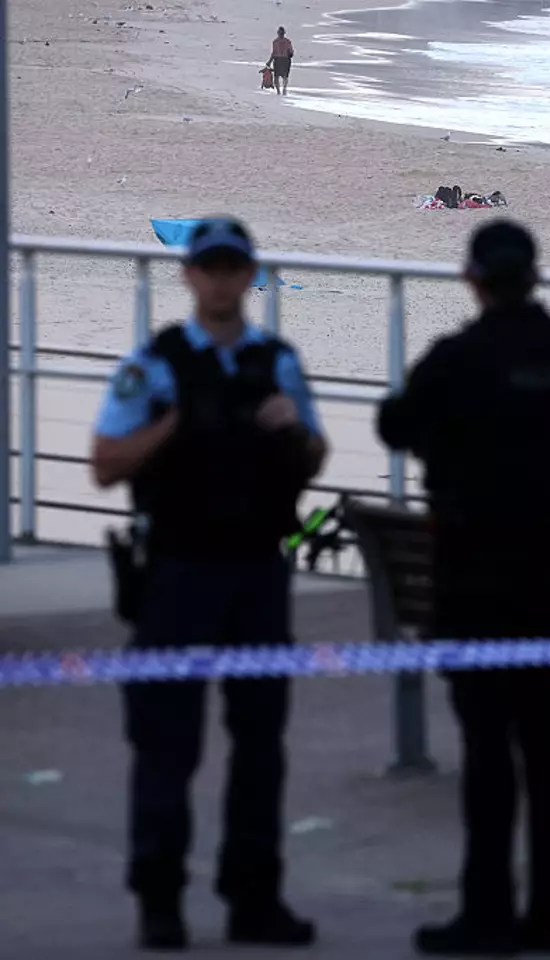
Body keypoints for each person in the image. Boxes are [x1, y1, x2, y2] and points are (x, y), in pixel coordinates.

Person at [89, 217, 328, 951]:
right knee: (166, 743)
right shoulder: (155, 366)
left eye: (232, 268)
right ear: (189, 275)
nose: (221, 281)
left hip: (257, 570)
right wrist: (173, 426)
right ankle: (159, 899)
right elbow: (105, 463)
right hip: (177, 573)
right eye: (209, 268)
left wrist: (294, 430)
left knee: (260, 746)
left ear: (248, 275)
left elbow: (313, 455)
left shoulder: (277, 363)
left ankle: (255, 897)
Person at [376, 220, 550, 957]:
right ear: (534, 277)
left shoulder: (456, 359)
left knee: (486, 747)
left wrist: (445, 441)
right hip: (545, 569)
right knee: (545, 741)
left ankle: (488, 911)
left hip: (472, 569)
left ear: (472, 278)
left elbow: (395, 424)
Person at [266, 27, 294, 97]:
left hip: (278, 59)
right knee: (284, 76)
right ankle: (283, 89)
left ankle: (279, 91)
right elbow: (291, 52)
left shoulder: (275, 42)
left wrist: (269, 61)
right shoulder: (287, 41)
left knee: (277, 76)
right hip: (285, 60)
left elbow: (274, 53)